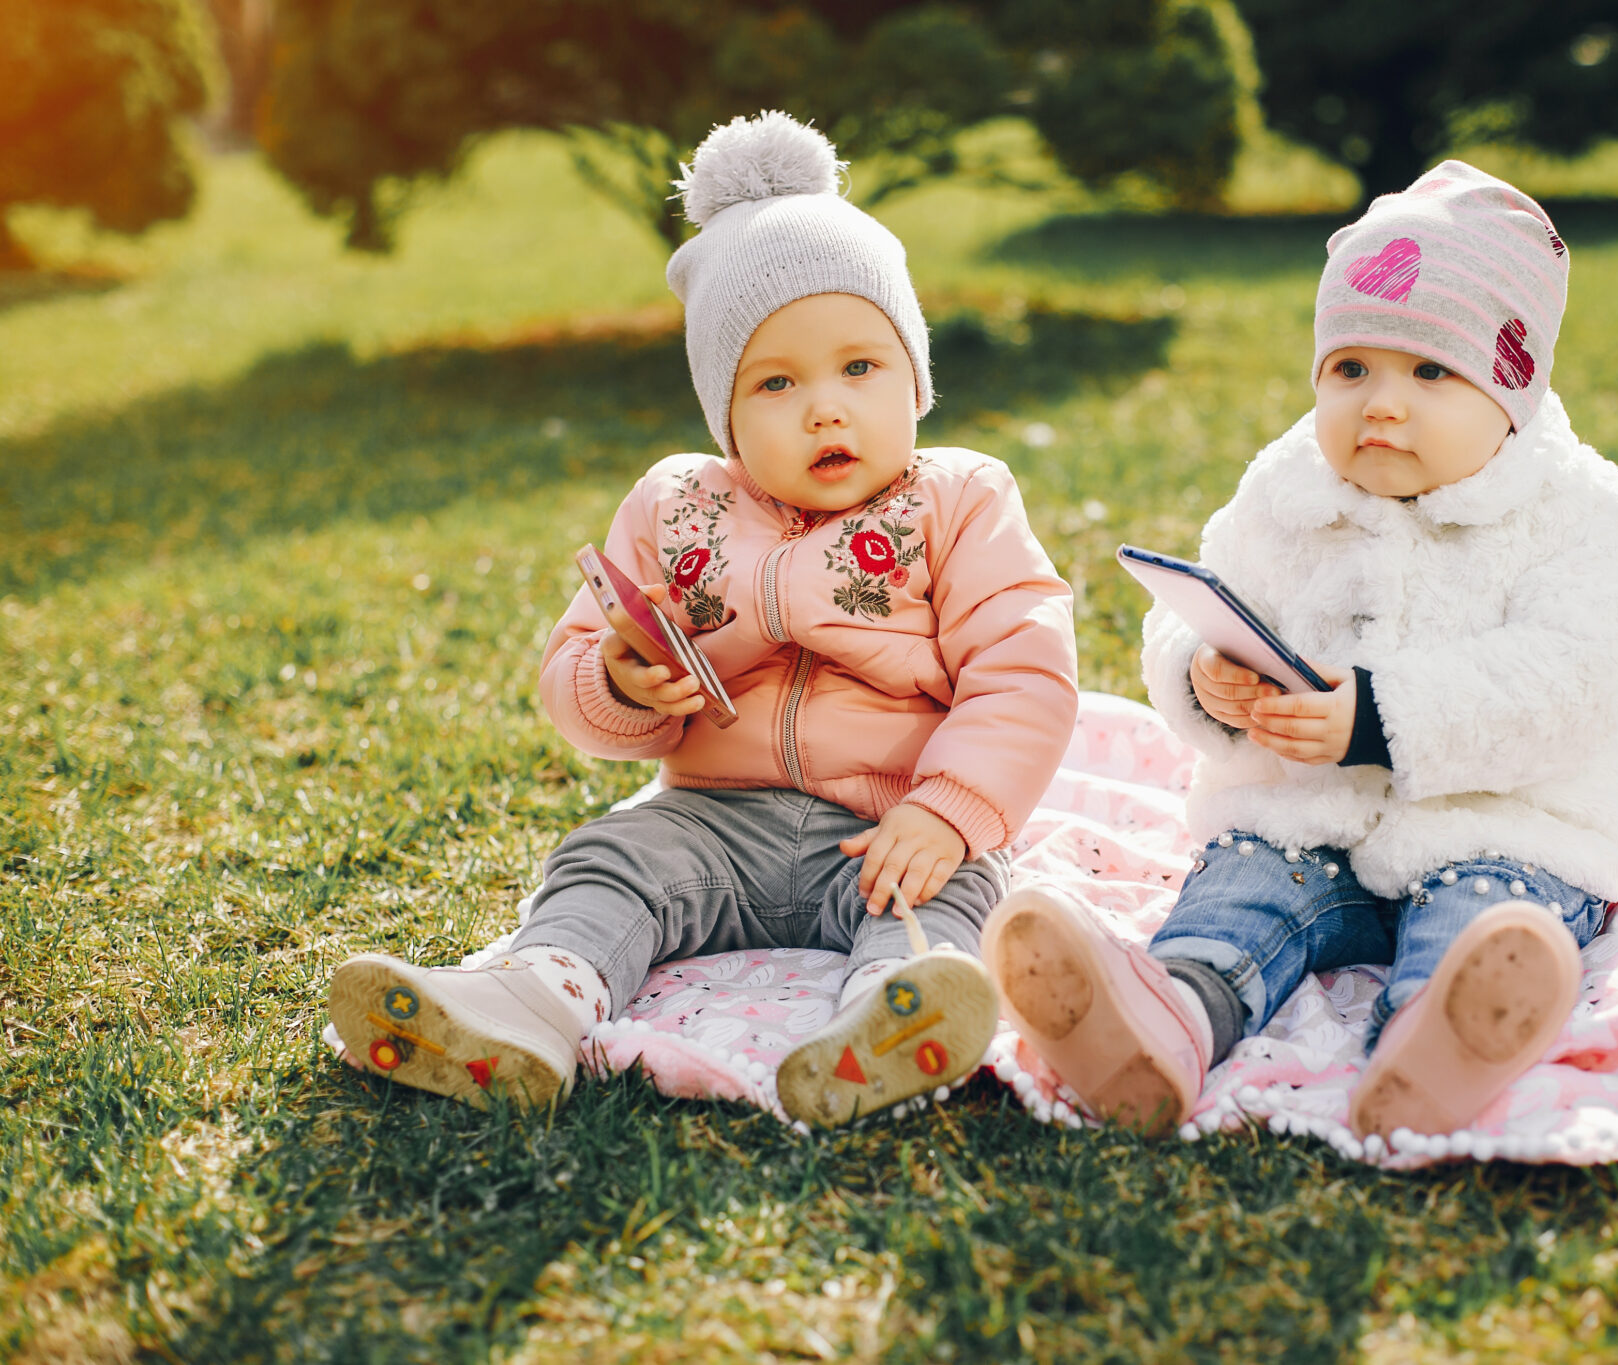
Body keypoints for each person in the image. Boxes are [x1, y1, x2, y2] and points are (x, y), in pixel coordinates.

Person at [328, 111, 1079, 1127]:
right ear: (723, 413)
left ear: (915, 377)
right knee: (606, 861)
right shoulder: (677, 504)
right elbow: (577, 674)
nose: (825, 407)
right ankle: (531, 1005)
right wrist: (624, 687)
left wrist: (949, 808)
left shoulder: (956, 497)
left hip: (884, 825)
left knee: (940, 898)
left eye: (861, 367)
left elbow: (1021, 667)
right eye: (776, 381)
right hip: (709, 823)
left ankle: (891, 1020)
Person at [984, 161, 1618, 1144]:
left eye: (1430, 371)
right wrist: (1204, 674)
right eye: (1350, 370)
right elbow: (1205, 601)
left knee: (1485, 916)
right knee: (1244, 887)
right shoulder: (1288, 486)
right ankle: (1160, 1015)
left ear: (1512, 389)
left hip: (1503, 822)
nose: (1379, 405)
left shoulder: (1577, 513)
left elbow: (1570, 683)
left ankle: (1441, 1040)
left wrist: (1377, 716)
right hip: (1308, 815)